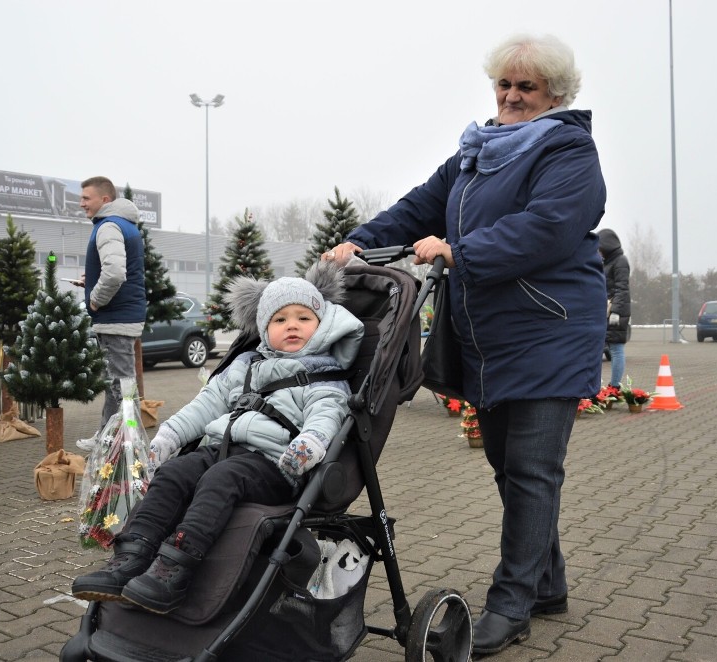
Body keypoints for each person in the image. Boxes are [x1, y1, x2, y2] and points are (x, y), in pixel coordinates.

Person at [324, 34, 606, 656]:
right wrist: (358, 243)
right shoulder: (477, 152)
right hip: (488, 338)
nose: (510, 95)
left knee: (532, 472)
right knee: (510, 467)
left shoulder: (568, 150)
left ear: (554, 94)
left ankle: (511, 604)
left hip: (548, 331)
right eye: (504, 84)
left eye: (525, 87)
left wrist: (462, 251)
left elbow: (549, 226)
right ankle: (548, 583)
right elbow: (420, 207)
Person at [71, 262, 364, 614]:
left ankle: (175, 568)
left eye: (303, 318)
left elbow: (328, 412)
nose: (292, 326)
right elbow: (206, 404)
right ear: (263, 327)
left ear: (321, 325)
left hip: (273, 465)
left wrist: (310, 443)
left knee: (220, 479)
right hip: (222, 449)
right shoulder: (246, 365)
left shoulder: (323, 374)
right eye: (280, 319)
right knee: (174, 473)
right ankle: (132, 556)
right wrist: (169, 435)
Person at [75, 176, 146, 452]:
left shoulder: (109, 226)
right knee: (117, 385)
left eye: (86, 198)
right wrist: (90, 281)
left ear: (104, 200)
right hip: (119, 317)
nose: (81, 204)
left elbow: (116, 273)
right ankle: (109, 436)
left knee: (122, 387)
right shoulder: (123, 225)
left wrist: (95, 299)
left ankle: (130, 444)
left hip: (116, 319)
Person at [598, 228, 631, 388]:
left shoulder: (620, 262)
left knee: (616, 349)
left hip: (615, 312)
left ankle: (615, 386)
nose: (599, 251)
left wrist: (616, 312)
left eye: (600, 247)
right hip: (605, 310)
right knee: (601, 349)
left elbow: (622, 289)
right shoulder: (607, 263)